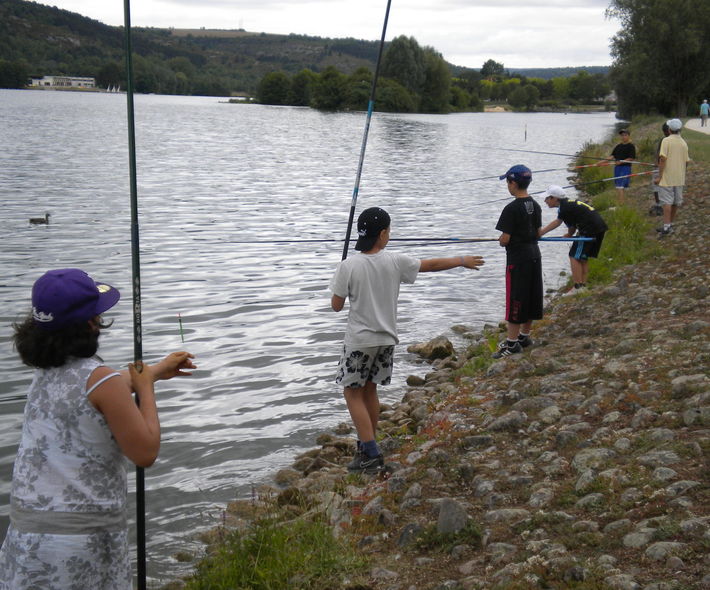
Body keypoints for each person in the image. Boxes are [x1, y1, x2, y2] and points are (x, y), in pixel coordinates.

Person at [0, 268, 196, 590]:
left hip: (26, 537)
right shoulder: (101, 380)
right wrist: (146, 386)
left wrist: (155, 369)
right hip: (81, 541)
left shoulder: (44, 375)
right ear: (92, 323)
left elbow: (102, 389)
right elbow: (145, 452)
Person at [330, 207, 484, 473]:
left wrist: (341, 279)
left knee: (352, 393)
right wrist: (461, 259)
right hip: (386, 339)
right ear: (382, 234)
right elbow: (430, 265)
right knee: (369, 390)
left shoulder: (348, 265)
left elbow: (335, 305)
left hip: (359, 341)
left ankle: (370, 452)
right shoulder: (395, 261)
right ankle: (368, 444)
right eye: (388, 231)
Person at [493, 164, 543, 359]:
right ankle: (524, 336)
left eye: (508, 182)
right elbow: (538, 233)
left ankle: (512, 344)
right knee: (531, 295)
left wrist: (502, 241)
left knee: (515, 298)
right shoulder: (535, 205)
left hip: (518, 259)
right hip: (534, 256)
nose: (508, 185)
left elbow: (505, 239)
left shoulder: (511, 208)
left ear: (513, 183)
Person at [538, 185, 608, 294]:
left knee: (574, 256)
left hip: (589, 230)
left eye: (547, 198)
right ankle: (583, 286)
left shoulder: (564, 208)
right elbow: (572, 225)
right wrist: (569, 234)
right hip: (598, 228)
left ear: (555, 198)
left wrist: (541, 233)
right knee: (582, 258)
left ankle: (577, 287)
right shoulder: (568, 204)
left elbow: (558, 222)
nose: (545, 201)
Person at [654, 118, 690, 237]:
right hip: (679, 178)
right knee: (675, 202)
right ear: (680, 129)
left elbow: (662, 159)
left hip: (667, 177)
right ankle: (670, 224)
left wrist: (659, 177)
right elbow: (686, 162)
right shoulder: (684, 142)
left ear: (669, 129)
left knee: (667, 202)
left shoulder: (666, 141)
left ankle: (666, 226)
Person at [608, 129, 636, 203]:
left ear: (628, 136)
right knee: (618, 186)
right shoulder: (618, 146)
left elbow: (631, 158)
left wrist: (621, 162)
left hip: (626, 168)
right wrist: (601, 162)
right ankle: (623, 202)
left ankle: (621, 204)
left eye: (625, 135)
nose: (623, 137)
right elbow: (611, 156)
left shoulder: (631, 146)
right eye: (622, 135)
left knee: (620, 186)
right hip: (617, 168)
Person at [650, 122, 670, 216]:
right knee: (655, 184)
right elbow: (658, 153)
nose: (666, 133)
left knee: (665, 186)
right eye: (664, 131)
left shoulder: (674, 141)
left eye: (666, 131)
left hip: (667, 167)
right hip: (658, 166)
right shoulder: (662, 140)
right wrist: (656, 162)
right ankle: (658, 203)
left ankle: (665, 204)